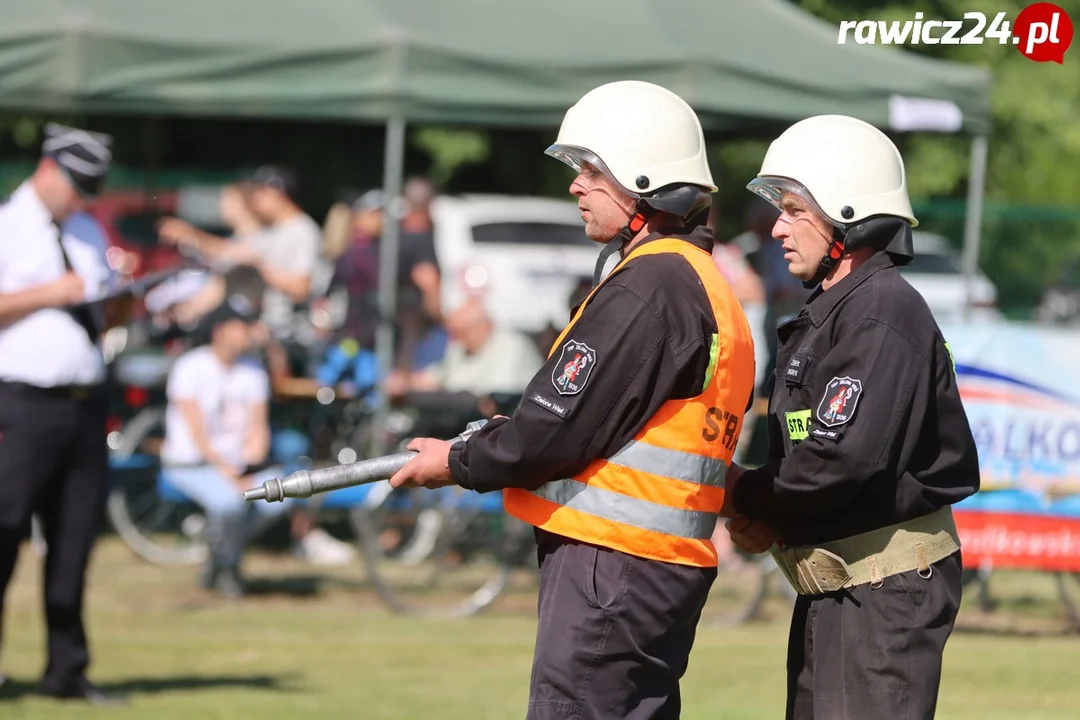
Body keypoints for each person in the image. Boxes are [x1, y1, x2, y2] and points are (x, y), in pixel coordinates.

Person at [388, 80, 756, 718]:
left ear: (640, 181)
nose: (575, 186)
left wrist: (457, 459)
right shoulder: (695, 282)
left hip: (611, 569)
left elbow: (553, 430)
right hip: (648, 568)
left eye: (591, 170)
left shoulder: (651, 286)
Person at [718, 115, 981, 719]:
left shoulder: (879, 313)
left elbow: (837, 463)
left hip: (882, 596)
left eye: (792, 210)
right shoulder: (840, 312)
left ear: (846, 212)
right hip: (845, 585)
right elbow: (820, 458)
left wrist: (740, 493)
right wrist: (779, 516)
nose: (776, 228)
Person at [0, 123, 128, 705]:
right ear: (48, 169)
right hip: (20, 404)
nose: (82, 198)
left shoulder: (85, 229)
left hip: (82, 405)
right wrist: (52, 293)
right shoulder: (7, 225)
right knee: (4, 536)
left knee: (74, 543)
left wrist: (123, 296)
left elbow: (98, 307)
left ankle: (67, 670)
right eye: (77, 186)